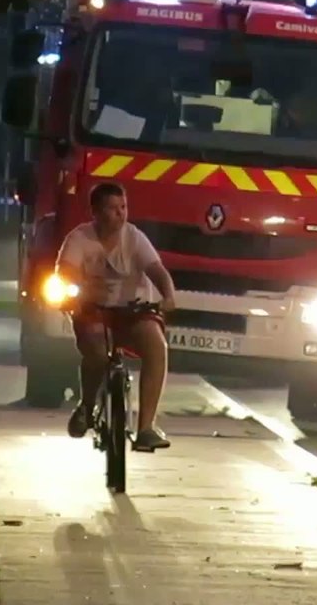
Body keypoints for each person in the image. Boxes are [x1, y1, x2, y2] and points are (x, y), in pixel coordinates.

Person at [54, 182, 179, 452]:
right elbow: (65, 272)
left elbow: (157, 270)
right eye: (112, 209)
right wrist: (77, 291)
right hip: (93, 311)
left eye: (123, 207)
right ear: (95, 212)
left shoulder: (135, 238)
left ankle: (145, 427)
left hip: (134, 311)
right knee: (96, 354)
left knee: (157, 346)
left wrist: (168, 295)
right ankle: (87, 406)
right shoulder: (79, 239)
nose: (120, 214)